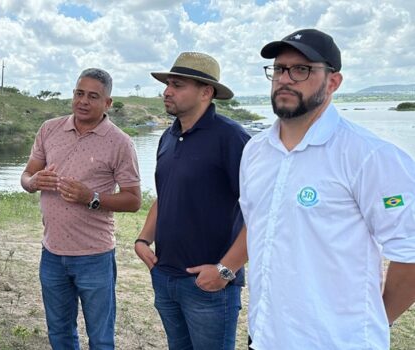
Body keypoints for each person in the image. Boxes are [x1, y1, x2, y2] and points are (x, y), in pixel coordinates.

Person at [241, 28, 415, 349]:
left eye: (301, 69)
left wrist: (375, 320)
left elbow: (410, 254)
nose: (285, 78)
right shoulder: (255, 151)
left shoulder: (370, 156)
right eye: (279, 69)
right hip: (265, 336)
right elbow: (257, 229)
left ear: (333, 82)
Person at [134, 52, 250, 350]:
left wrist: (225, 271)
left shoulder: (232, 138)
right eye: (167, 84)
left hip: (209, 285)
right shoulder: (168, 137)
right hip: (164, 275)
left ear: (206, 92)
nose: (166, 91)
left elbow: (260, 212)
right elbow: (166, 194)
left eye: (177, 85)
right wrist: (143, 240)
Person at [20, 68, 141, 349]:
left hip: (94, 256)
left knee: (100, 338)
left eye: (93, 96)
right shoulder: (49, 128)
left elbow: (134, 199)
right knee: (59, 334)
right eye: (79, 93)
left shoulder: (121, 142)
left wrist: (92, 197)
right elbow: (26, 177)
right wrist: (34, 181)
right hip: (51, 253)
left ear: (107, 103)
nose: (83, 101)